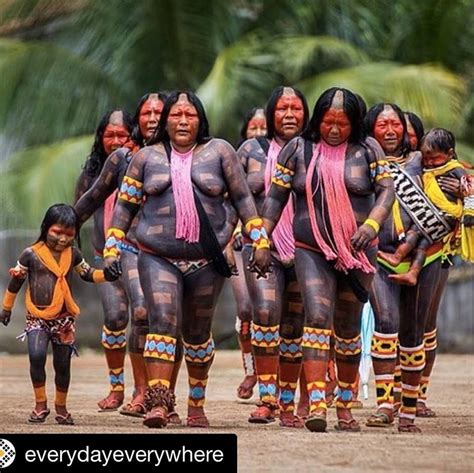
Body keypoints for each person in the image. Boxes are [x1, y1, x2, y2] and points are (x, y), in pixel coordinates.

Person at [103, 90, 269, 429]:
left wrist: (259, 238)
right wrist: (112, 245)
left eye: (189, 115)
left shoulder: (220, 152)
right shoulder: (145, 158)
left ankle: (195, 405)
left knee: (196, 333)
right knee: (161, 321)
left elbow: (242, 198)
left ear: (200, 120)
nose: (182, 120)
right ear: (165, 122)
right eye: (176, 115)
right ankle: (159, 404)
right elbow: (125, 207)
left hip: (206, 261)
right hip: (157, 256)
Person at [252, 88, 394, 432]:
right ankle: (317, 404)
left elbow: (386, 191)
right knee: (316, 315)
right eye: (328, 122)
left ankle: (344, 407)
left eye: (342, 123)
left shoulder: (368, 149)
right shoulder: (298, 149)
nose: (334, 129)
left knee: (347, 326)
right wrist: (261, 240)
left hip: (360, 250)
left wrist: (371, 225)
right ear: (318, 120)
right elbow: (274, 200)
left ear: (355, 123)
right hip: (311, 248)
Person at [75, 94, 186, 421]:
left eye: (157, 112)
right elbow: (90, 199)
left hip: (158, 252)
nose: (152, 117)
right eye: (146, 112)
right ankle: (127, 389)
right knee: (119, 316)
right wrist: (60, 231)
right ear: (139, 120)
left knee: (154, 319)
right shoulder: (120, 160)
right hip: (112, 252)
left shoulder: (176, 157)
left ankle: (161, 396)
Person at [364, 103, 455, 432]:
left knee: (414, 331)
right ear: (370, 128)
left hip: (427, 255)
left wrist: (463, 189)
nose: (389, 130)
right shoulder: (363, 161)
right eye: (382, 124)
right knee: (386, 320)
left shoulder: (421, 160)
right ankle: (384, 404)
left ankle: (409, 409)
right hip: (378, 256)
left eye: (395, 125)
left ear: (405, 130)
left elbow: (457, 175)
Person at [0, 204, 121, 425]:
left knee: (62, 365)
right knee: (36, 357)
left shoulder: (73, 254)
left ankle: (61, 408)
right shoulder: (31, 254)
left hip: (64, 320)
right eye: (57, 232)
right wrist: (6, 308)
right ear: (46, 227)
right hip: (37, 318)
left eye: (69, 233)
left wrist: (108, 275)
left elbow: (88, 274)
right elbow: (16, 281)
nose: (63, 239)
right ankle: (40, 404)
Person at [237, 86, 309, 427]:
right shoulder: (251, 149)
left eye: (296, 108)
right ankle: (266, 400)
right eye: (282, 109)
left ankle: (286, 402)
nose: (290, 114)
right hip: (261, 245)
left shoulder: (314, 150)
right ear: (270, 114)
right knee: (265, 312)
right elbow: (232, 196)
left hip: (306, 247)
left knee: (294, 326)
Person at [74, 110, 135, 412]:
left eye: (121, 135)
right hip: (103, 257)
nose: (115, 141)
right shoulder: (90, 174)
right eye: (109, 135)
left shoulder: (144, 166)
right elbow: (78, 211)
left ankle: (143, 392)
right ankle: (116, 388)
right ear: (100, 139)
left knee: (144, 320)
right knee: (115, 318)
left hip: (140, 256)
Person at [378, 128, 473, 285]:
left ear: (449, 154)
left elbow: (470, 190)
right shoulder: (428, 169)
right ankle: (413, 273)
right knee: (422, 245)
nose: (429, 162)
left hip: (445, 215)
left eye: (434, 159)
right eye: (426, 159)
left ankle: (397, 256)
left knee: (414, 232)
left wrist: (469, 213)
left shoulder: (455, 168)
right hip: (434, 214)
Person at [232, 107, 267, 401]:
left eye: (264, 127)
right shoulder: (241, 155)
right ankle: (251, 369)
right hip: (242, 241)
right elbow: (230, 196)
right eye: (253, 127)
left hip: (285, 240)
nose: (259, 133)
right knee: (246, 310)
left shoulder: (295, 150)